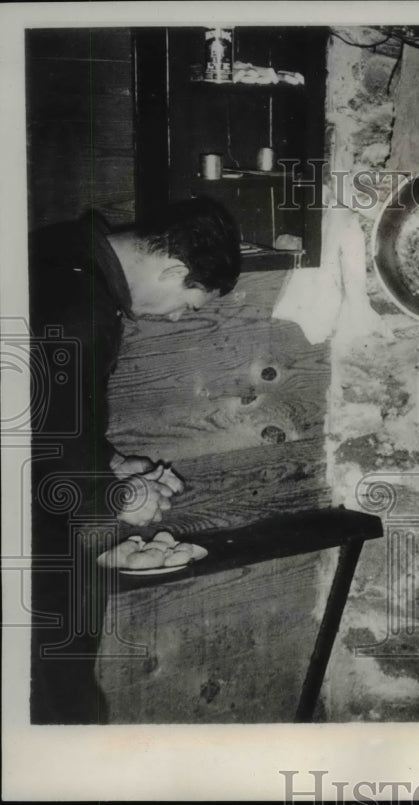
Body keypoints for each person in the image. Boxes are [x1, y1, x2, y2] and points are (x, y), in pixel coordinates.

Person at [28, 197, 241, 723]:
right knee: (57, 688)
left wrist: (109, 463)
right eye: (185, 305)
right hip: (27, 538)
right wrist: (119, 502)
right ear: (173, 269)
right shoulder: (86, 311)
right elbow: (52, 442)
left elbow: (46, 416)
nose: (172, 317)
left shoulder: (54, 249)